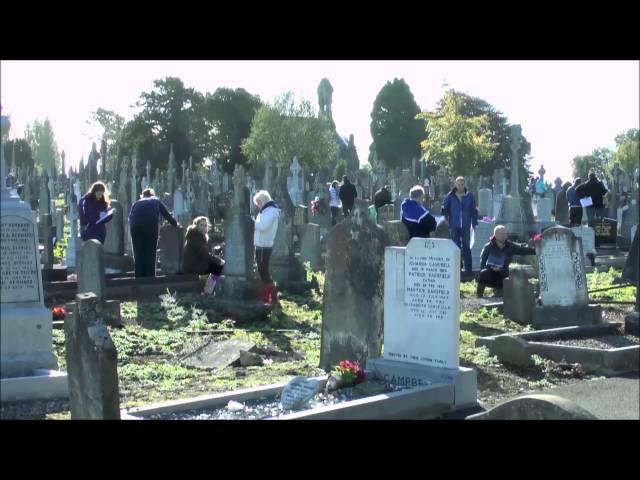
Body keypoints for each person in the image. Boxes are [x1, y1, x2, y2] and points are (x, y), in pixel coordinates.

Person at [128, 188, 178, 278]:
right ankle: (150, 278)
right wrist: (175, 224)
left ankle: (139, 278)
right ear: (152, 195)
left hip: (135, 225)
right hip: (150, 223)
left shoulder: (137, 203)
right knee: (150, 252)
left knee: (138, 253)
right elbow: (166, 214)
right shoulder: (155, 200)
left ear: (142, 195)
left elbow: (130, 218)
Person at [476, 225, 536, 298]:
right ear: (495, 235)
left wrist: (538, 249)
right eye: (501, 234)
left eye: (505, 233)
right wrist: (490, 268)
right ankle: (479, 295)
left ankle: (498, 292)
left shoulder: (510, 246)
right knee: (483, 273)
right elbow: (482, 263)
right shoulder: (488, 247)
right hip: (489, 275)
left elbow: (523, 250)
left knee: (500, 296)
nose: (504, 236)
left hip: (502, 275)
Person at [442, 176, 478, 273]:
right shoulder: (450, 196)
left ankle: (468, 271)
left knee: (467, 247)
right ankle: (457, 270)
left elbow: (474, 210)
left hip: (466, 226)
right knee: (456, 248)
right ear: (455, 184)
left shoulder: (469, 196)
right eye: (459, 184)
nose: (460, 186)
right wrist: (446, 218)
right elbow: (445, 209)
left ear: (464, 184)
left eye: (462, 184)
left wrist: (474, 223)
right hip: (454, 225)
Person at [253, 190, 280, 305]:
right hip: (260, 244)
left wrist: (252, 221)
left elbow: (263, 226)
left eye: (258, 203)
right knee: (262, 271)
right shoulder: (266, 211)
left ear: (262, 201)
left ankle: (271, 297)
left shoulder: (271, 211)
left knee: (264, 271)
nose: (258, 206)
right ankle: (267, 297)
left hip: (264, 245)